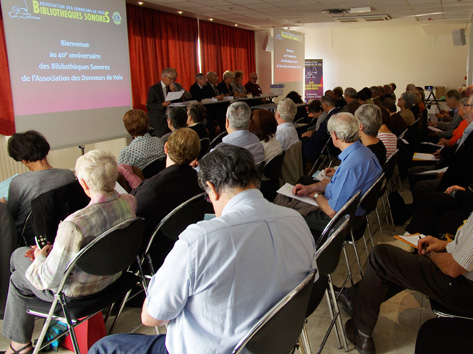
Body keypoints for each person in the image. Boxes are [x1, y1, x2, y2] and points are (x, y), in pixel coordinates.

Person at [339, 121, 473, 354]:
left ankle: (361, 331)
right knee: (398, 263)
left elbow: (453, 268)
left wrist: (433, 253)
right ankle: (356, 297)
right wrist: (447, 244)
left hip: (468, 291)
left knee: (381, 256)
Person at [89, 144, 316, 354]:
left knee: (105, 347)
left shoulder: (200, 239)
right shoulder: (296, 221)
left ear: (211, 188)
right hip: (274, 344)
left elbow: (152, 316)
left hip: (216, 348)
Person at [2, 150, 136, 354]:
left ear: (83, 184)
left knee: (17, 262)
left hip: (78, 292)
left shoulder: (74, 224)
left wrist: (40, 257)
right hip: (114, 279)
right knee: (19, 278)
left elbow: (47, 279)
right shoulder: (129, 202)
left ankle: (19, 345)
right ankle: (19, 344)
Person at [286, 113, 381, 236]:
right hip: (352, 213)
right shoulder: (364, 151)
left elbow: (332, 211)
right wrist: (309, 188)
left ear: (334, 135)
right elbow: (335, 184)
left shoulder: (350, 165)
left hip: (341, 221)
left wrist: (315, 195)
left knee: (288, 216)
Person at [133, 128, 202, 270]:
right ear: (196, 155)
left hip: (155, 254)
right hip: (186, 245)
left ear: (165, 148)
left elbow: (133, 219)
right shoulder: (199, 181)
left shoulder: (152, 188)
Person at [1, 131, 75, 242]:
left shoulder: (19, 183)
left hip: (29, 241)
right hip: (62, 235)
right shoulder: (68, 175)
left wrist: (3, 206)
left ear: (24, 160)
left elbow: (10, 217)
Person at [146, 68, 191, 137]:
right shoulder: (154, 88)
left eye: (174, 80)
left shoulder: (174, 86)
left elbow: (181, 102)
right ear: (164, 77)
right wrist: (162, 105)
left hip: (172, 120)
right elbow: (149, 105)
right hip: (160, 120)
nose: (172, 81)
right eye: (170, 79)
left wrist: (174, 92)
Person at [303, 94, 339, 163]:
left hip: (325, 145)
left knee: (303, 145)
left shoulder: (330, 117)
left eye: (322, 105)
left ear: (325, 105)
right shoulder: (336, 113)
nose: (322, 107)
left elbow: (320, 136)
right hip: (329, 142)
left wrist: (310, 136)